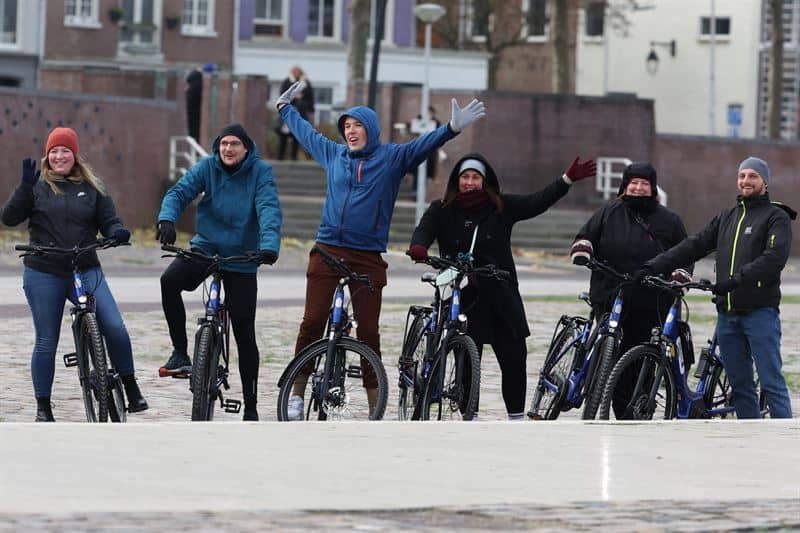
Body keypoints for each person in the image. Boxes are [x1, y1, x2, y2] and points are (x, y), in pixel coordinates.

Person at [276, 80, 486, 419]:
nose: (351, 131)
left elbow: (422, 145)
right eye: (346, 126)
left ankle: (376, 407)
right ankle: (297, 394)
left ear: (370, 129)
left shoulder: (391, 158)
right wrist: (286, 109)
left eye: (357, 125)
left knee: (369, 332)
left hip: (367, 256)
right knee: (312, 322)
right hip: (328, 248)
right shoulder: (334, 154)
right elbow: (306, 134)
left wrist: (450, 129)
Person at [409, 153, 597, 420]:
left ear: (485, 181)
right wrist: (419, 246)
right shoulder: (441, 208)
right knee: (465, 356)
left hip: (501, 293)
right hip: (464, 294)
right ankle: (468, 414)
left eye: (476, 177)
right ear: (456, 180)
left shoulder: (500, 206)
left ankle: (516, 417)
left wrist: (566, 180)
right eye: (465, 177)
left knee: (514, 357)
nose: (470, 182)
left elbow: (537, 202)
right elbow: (424, 230)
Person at [0, 127, 147, 421]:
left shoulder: (93, 187)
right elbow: (9, 218)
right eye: (54, 150)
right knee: (46, 341)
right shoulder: (37, 186)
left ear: (74, 155)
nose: (59, 156)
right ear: (47, 155)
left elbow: (109, 220)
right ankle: (43, 407)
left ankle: (131, 386)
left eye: (65, 150)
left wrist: (117, 231)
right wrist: (24, 187)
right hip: (45, 270)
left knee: (115, 327)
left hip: (86, 266)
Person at [635, 156, 794, 419]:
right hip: (727, 316)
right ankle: (751, 441)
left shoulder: (776, 217)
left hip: (760, 313)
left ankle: (785, 440)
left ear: (765, 182)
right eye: (742, 176)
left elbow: (775, 257)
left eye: (753, 176)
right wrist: (654, 265)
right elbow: (694, 245)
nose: (746, 181)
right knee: (741, 387)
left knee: (771, 382)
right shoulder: (727, 218)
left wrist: (738, 279)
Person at [155, 123, 282, 421]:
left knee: (244, 331)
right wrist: (167, 219)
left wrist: (269, 246)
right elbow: (179, 192)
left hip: (242, 256)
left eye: (234, 144)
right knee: (169, 281)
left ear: (246, 148)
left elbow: (268, 208)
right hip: (206, 247)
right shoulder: (208, 167)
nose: (228, 149)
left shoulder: (260, 172)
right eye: (223, 143)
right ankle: (180, 353)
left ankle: (250, 406)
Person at [569, 162, 691, 419]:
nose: (638, 187)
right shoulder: (608, 212)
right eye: (633, 183)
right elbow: (585, 236)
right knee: (609, 352)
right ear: (625, 186)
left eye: (644, 183)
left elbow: (685, 252)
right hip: (610, 294)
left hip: (651, 300)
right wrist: (583, 248)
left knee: (639, 361)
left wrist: (681, 273)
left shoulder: (670, 220)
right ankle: (593, 391)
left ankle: (631, 413)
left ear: (653, 188)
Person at [274, 66, 314, 161]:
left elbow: (310, 99)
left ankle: (293, 157)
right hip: (287, 113)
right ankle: (280, 157)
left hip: (300, 113)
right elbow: (282, 97)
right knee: (283, 137)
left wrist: (309, 109)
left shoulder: (305, 83)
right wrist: (294, 97)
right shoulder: (287, 82)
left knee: (296, 136)